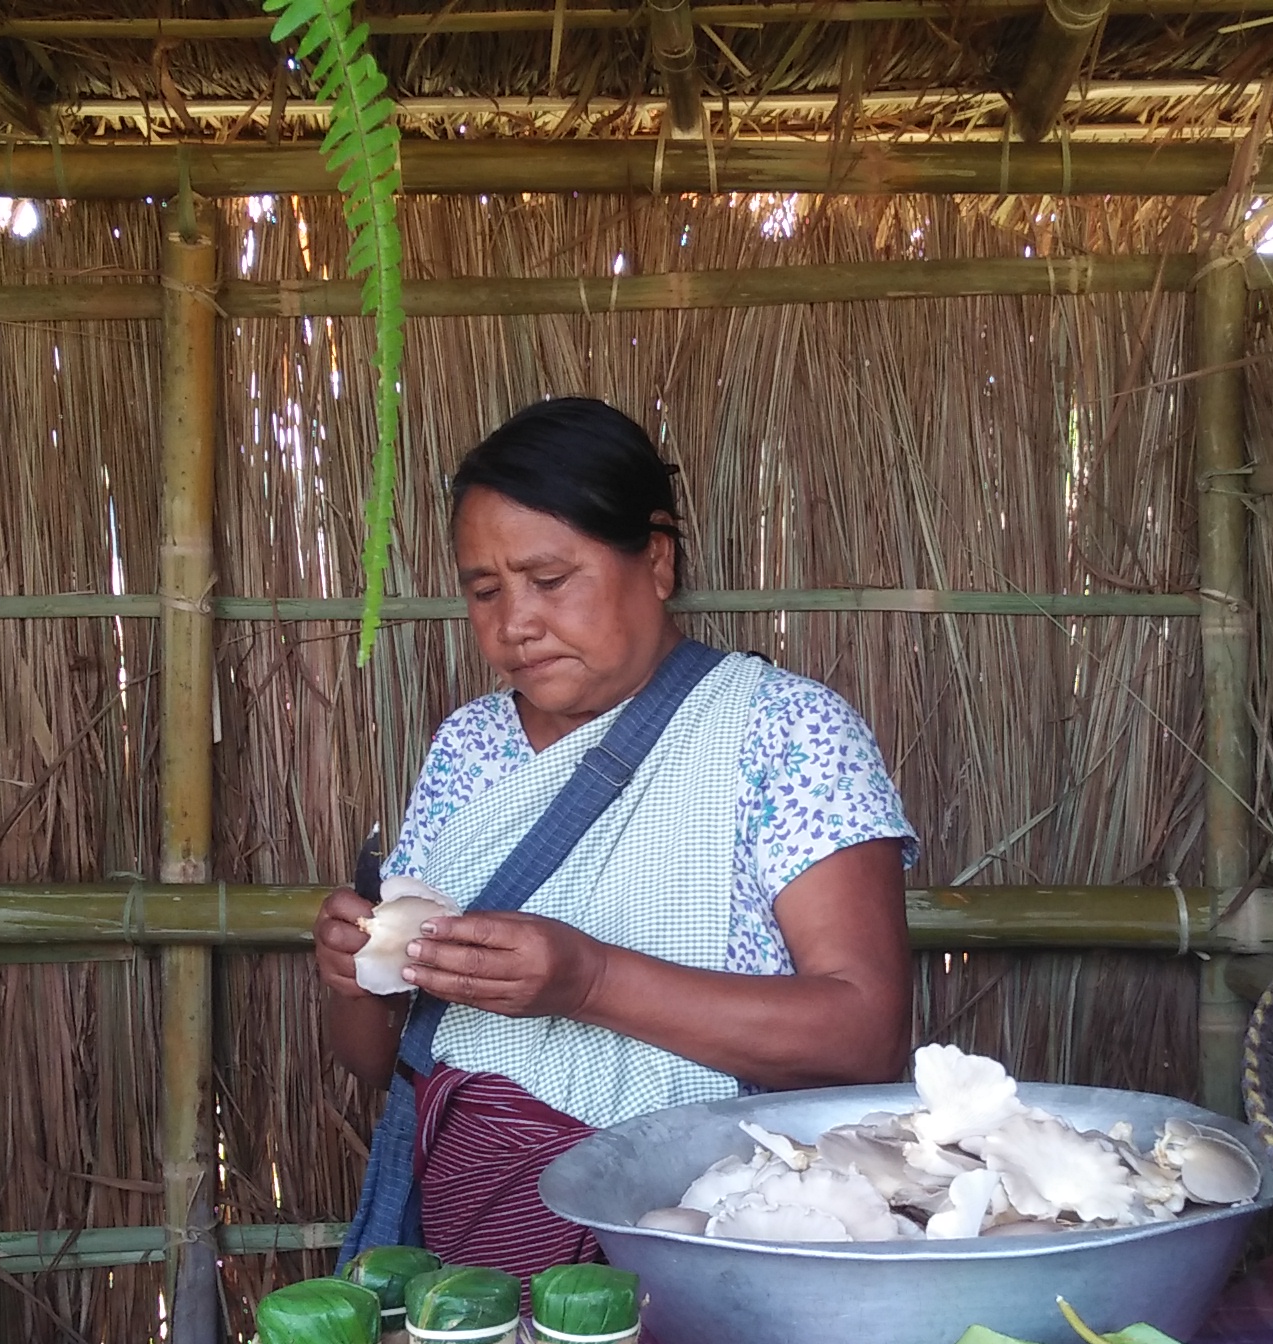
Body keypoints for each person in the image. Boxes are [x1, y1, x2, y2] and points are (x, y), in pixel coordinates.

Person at [314, 397, 917, 1277]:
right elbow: (382, 1061)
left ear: (657, 559)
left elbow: (867, 1039)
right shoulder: (470, 749)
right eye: (485, 591)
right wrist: (354, 974)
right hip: (477, 1251)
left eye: (551, 581)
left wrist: (590, 981)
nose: (514, 622)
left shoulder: (783, 732)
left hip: (710, 1244)